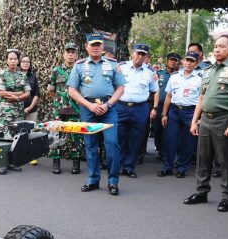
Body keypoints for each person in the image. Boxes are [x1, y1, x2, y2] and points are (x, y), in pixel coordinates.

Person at [184, 35, 228, 212]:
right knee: (202, 159)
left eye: (221, 46)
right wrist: (194, 121)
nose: (217, 49)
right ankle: (201, 192)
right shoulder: (208, 71)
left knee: (225, 161)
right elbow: (201, 98)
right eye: (215, 46)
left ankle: (227, 197)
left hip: (224, 119)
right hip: (205, 119)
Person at [67, 32, 126, 195]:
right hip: (88, 108)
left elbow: (120, 88)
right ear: (87, 47)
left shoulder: (113, 64)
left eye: (98, 44)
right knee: (90, 144)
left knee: (112, 143)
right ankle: (93, 180)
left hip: (109, 108)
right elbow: (72, 90)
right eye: (92, 45)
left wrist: (108, 104)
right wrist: (89, 105)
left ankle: (113, 181)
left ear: (102, 47)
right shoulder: (79, 66)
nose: (96, 47)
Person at [116, 44, 158, 178]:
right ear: (133, 53)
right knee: (118, 137)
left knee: (135, 139)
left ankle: (129, 167)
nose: (140, 56)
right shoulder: (121, 67)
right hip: (121, 106)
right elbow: (112, 85)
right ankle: (117, 165)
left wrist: (155, 108)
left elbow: (155, 90)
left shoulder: (150, 72)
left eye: (143, 54)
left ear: (146, 56)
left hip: (140, 108)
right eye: (138, 53)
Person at [157, 52, 201, 178]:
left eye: (192, 61)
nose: (188, 63)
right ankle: (167, 167)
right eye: (187, 60)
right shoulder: (175, 76)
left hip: (190, 112)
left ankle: (182, 168)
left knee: (188, 142)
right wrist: (164, 114)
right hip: (174, 111)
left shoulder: (200, 78)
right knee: (170, 139)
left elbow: (201, 100)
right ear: (183, 61)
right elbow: (169, 96)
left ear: (196, 63)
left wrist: (198, 118)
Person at [47, 42, 83, 175]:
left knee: (75, 136)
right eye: (68, 52)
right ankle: (56, 162)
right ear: (64, 54)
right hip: (59, 109)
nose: (70, 55)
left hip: (75, 109)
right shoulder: (56, 71)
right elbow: (51, 90)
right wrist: (59, 101)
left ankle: (76, 162)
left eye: (73, 52)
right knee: (57, 135)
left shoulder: (80, 70)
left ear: (76, 55)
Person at [0, 49, 31, 175]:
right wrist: (19, 94)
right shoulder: (2, 74)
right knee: (4, 136)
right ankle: (2, 164)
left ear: (18, 61)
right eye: (10, 59)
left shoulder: (22, 75)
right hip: (5, 111)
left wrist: (18, 97)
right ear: (7, 60)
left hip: (18, 111)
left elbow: (27, 93)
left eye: (15, 59)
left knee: (16, 136)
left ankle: (13, 162)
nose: (13, 61)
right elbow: (1, 93)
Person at [141, 52, 179, 164]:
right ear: (167, 61)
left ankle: (168, 153)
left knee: (170, 130)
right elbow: (153, 89)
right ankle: (160, 151)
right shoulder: (158, 73)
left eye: (175, 60)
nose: (173, 62)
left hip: (173, 106)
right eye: (171, 59)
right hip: (159, 105)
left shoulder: (180, 75)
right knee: (157, 129)